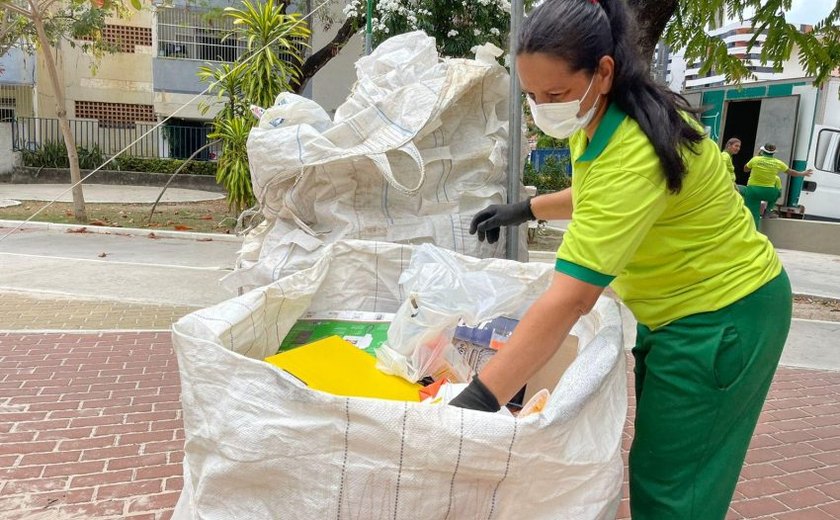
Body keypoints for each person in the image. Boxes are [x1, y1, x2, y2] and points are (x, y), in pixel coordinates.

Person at [450, 0, 792, 519]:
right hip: (683, 311)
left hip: (721, 316)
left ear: (603, 72)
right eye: (533, 96)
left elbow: (571, 299)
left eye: (556, 94)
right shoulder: (605, 117)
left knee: (675, 490)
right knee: (663, 468)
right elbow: (599, 194)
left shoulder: (635, 147)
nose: (544, 108)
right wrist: (524, 208)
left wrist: (479, 398)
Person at [742, 143, 812, 229]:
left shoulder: (755, 160)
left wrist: (757, 157)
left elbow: (745, 169)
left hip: (753, 191)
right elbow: (791, 172)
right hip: (769, 193)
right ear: (773, 153)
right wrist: (803, 173)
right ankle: (768, 211)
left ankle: (752, 233)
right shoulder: (778, 163)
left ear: (762, 151)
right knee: (778, 193)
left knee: (753, 215)